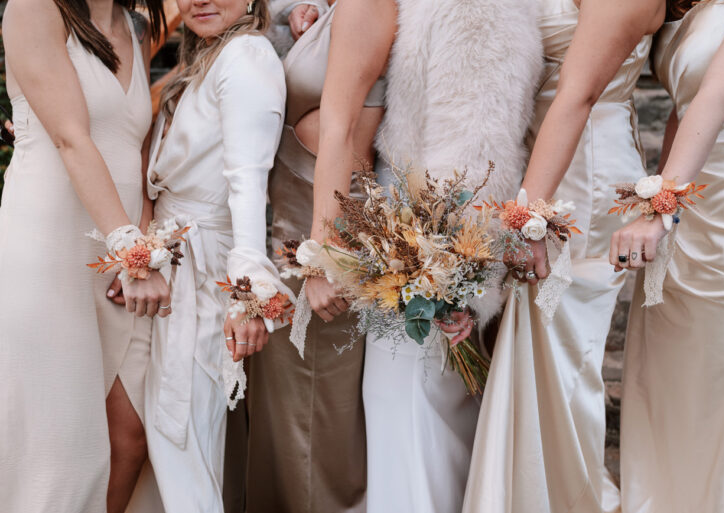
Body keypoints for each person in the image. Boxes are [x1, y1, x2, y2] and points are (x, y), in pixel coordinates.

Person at [307, 0, 541, 511]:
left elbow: (479, 146)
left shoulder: (480, 9)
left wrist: (452, 282)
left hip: (429, 259)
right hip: (406, 241)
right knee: (408, 420)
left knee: (413, 418)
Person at [463, 1, 665, 512]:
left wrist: (529, 217)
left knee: (561, 358)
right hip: (545, 168)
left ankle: (576, 500)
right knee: (536, 353)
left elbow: (580, 94)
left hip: (582, 177)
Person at [0, 1, 167, 512]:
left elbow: (134, 150)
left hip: (121, 256)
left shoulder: (134, 28)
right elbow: (71, 137)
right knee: (61, 448)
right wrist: (132, 254)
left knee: (129, 437)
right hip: (50, 246)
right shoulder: (34, 9)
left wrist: (144, 240)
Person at [610, 0, 724, 511]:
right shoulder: (701, 5)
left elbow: (718, 95)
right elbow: (683, 107)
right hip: (687, 210)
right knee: (673, 385)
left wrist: (659, 209)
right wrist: (665, 202)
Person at [141, 0, 291, 511]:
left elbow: (248, 181)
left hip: (204, 270)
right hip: (171, 257)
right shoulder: (208, 55)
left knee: (182, 433)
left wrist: (247, 294)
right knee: (170, 436)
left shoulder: (247, 55)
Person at [243, 1, 381, 511]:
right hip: (293, 232)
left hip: (324, 238)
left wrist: (327, 257)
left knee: (315, 424)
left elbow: (346, 136)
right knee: (289, 417)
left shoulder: (367, 7)